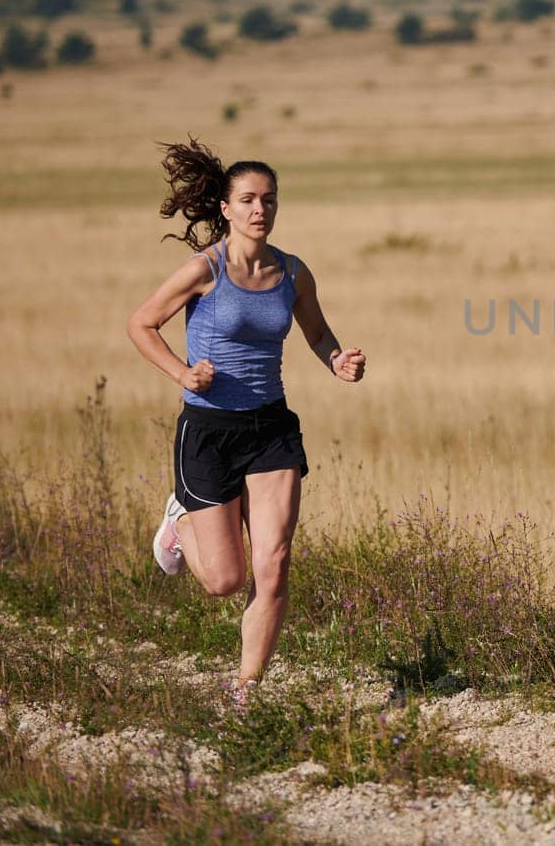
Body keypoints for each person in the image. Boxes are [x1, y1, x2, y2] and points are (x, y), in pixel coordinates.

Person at [126, 137, 366, 702]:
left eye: (271, 200)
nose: (262, 210)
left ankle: (246, 689)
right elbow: (141, 324)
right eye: (250, 200)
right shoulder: (203, 269)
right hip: (208, 431)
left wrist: (338, 360)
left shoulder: (293, 271)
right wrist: (182, 374)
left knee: (275, 563)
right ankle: (178, 518)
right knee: (224, 580)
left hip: (272, 429)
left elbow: (316, 331)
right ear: (227, 209)